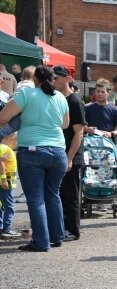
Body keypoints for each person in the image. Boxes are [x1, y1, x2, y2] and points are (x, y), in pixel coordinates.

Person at [0, 65, 69, 252]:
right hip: (58, 151)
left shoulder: (27, 94)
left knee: (35, 198)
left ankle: (41, 242)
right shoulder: (61, 97)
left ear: (34, 79)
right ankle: (57, 236)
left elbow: (3, 117)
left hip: (32, 150)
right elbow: (65, 124)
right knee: (53, 194)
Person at [53, 65, 86, 241]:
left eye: (57, 77)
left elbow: (79, 132)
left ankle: (72, 230)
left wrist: (69, 157)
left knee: (70, 194)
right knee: (58, 193)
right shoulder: (56, 98)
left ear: (67, 78)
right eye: (53, 77)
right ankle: (60, 227)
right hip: (58, 152)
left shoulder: (74, 101)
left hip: (70, 154)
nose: (54, 80)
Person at [0, 135, 19, 239]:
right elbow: (1, 163)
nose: (16, 142)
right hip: (5, 181)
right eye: (16, 140)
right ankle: (7, 228)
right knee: (9, 205)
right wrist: (3, 179)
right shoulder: (6, 149)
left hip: (3, 180)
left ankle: (1, 228)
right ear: (10, 138)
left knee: (1, 205)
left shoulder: (2, 148)